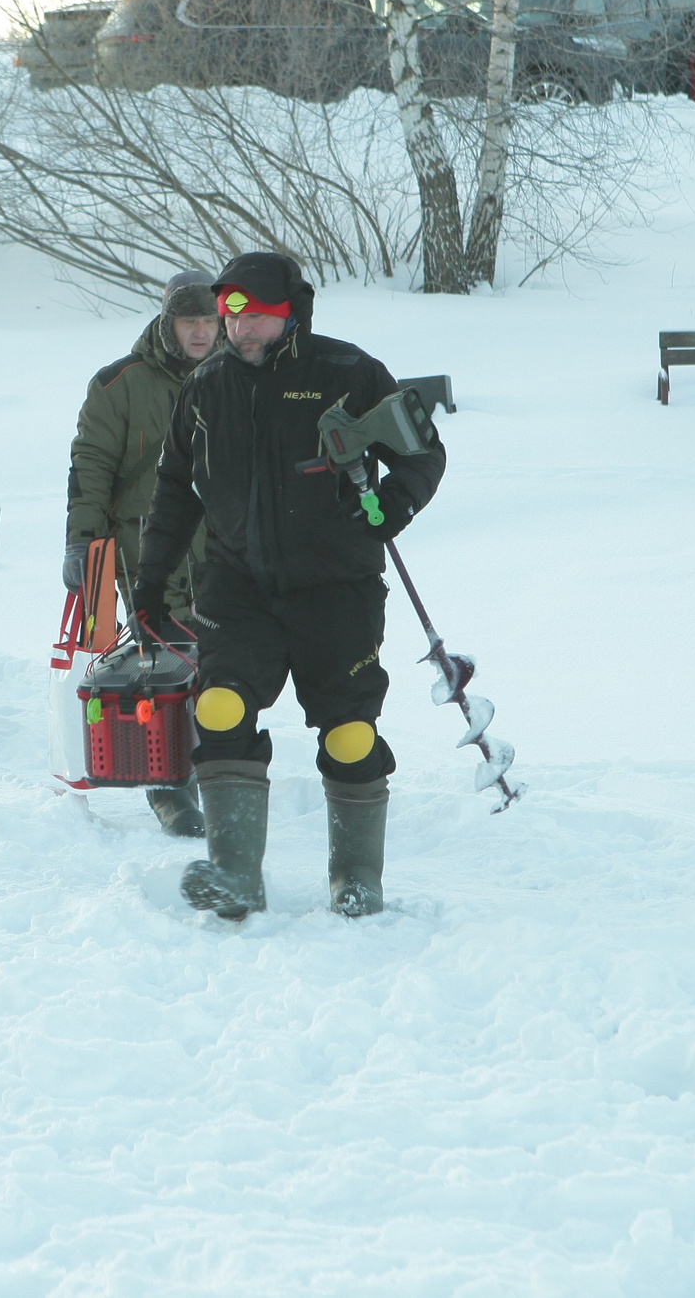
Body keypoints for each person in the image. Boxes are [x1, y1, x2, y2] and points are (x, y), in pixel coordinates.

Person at [134, 251, 445, 920]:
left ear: (290, 312)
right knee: (218, 709)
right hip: (238, 586)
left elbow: (422, 450)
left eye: (255, 316)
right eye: (230, 316)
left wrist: (397, 502)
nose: (239, 330)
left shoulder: (346, 371)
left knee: (349, 732)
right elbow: (173, 490)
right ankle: (236, 876)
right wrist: (150, 581)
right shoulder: (207, 385)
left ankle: (356, 878)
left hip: (337, 586)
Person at [65, 268, 221, 837]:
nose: (201, 333)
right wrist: (81, 543)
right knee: (167, 661)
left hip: (223, 544)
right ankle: (169, 787)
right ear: (167, 321)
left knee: (220, 661)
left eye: (209, 320)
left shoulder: (237, 375)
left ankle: (215, 773)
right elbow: (90, 467)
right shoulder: (119, 384)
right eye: (190, 321)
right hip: (146, 545)